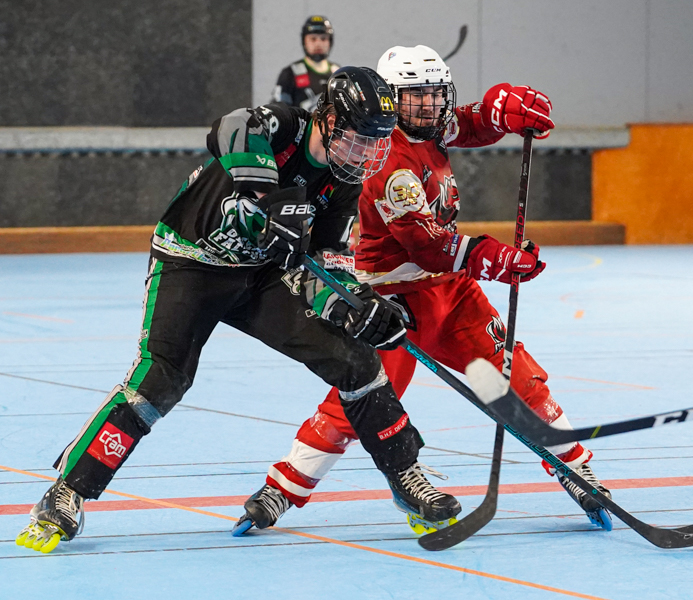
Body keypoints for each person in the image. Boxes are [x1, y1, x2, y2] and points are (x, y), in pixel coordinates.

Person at [15, 66, 462, 554]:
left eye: (375, 143)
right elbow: (230, 126)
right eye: (359, 139)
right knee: (161, 379)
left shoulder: (342, 186)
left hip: (262, 276)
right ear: (330, 120)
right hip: (191, 261)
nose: (365, 155)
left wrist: (358, 307)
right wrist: (267, 199)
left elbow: (325, 266)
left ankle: (406, 476)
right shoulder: (287, 126)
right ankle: (67, 491)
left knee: (356, 360)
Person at [234, 45, 614, 536]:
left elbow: (466, 125)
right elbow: (427, 244)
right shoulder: (385, 158)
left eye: (436, 92)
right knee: (359, 400)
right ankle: (282, 488)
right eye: (418, 95)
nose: (432, 104)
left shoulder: (425, 124)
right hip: (393, 302)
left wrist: (499, 111)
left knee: (516, 379)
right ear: (392, 101)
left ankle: (576, 469)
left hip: (453, 295)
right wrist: (493, 257)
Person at [272, 15, 340, 111]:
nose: (318, 44)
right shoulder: (290, 73)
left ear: (330, 42)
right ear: (304, 41)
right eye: (313, 39)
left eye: (323, 38)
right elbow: (279, 110)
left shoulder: (338, 73)